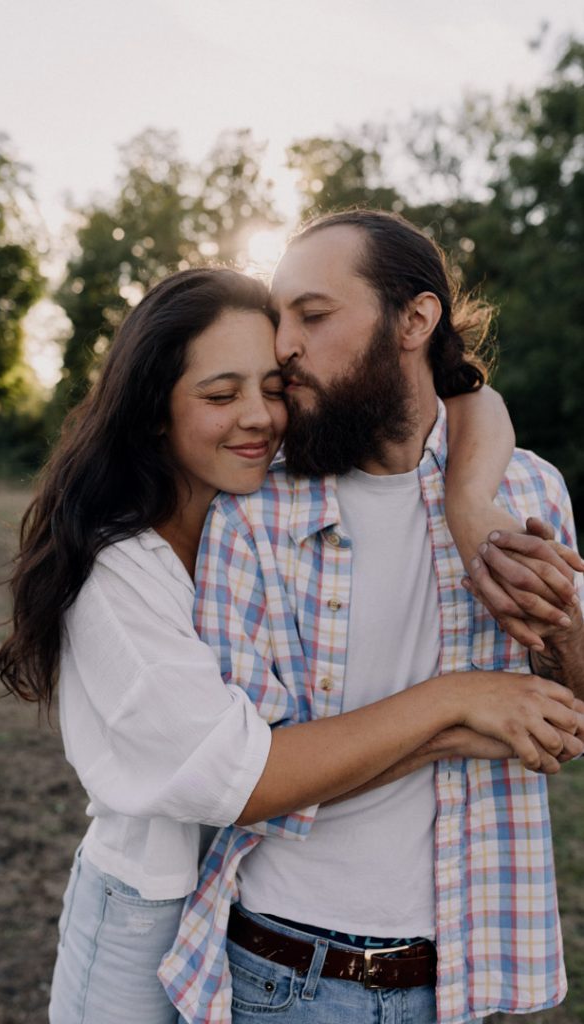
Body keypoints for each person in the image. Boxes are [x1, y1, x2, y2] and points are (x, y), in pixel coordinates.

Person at [0, 267, 580, 1024]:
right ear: (151, 414)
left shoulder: (254, 512)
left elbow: (465, 397)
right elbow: (246, 782)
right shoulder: (121, 574)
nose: (259, 418)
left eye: (272, 387)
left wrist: (469, 500)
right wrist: (456, 708)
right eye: (218, 395)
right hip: (148, 909)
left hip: (239, 903)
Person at [159, 214, 584, 1024]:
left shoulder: (524, 494)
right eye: (281, 317)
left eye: (312, 317)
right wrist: (463, 705)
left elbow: (571, 717)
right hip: (284, 975)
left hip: (466, 973)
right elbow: (245, 782)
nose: (283, 344)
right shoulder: (253, 515)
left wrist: (560, 624)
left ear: (415, 321)